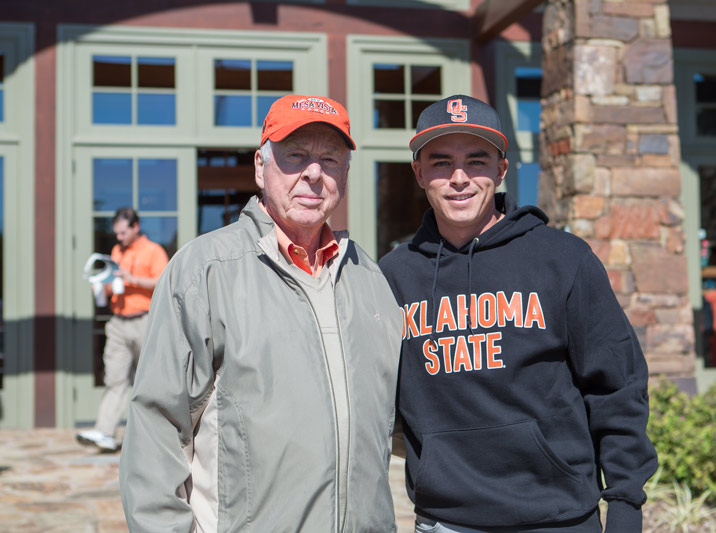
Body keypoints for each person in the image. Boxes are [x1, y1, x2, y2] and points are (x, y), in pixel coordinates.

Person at [119, 94, 403, 532]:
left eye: (330, 159)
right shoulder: (205, 271)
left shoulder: (369, 279)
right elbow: (156, 428)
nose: (313, 173)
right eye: (295, 156)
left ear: (345, 174)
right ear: (260, 166)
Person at [379, 94, 658, 533]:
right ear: (418, 173)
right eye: (440, 162)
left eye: (476, 161)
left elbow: (616, 386)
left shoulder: (562, 259)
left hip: (558, 516)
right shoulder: (393, 276)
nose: (459, 179)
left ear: (501, 169)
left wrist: (625, 503)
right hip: (446, 521)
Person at [77, 207, 168, 452]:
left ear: (135, 227)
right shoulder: (117, 251)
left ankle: (158, 437)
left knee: (151, 380)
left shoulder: (153, 251)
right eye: (116, 233)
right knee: (114, 379)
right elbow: (114, 283)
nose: (118, 238)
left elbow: (164, 281)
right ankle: (105, 432)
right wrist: (100, 287)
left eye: (122, 232)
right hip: (118, 322)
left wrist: (132, 278)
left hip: (144, 321)